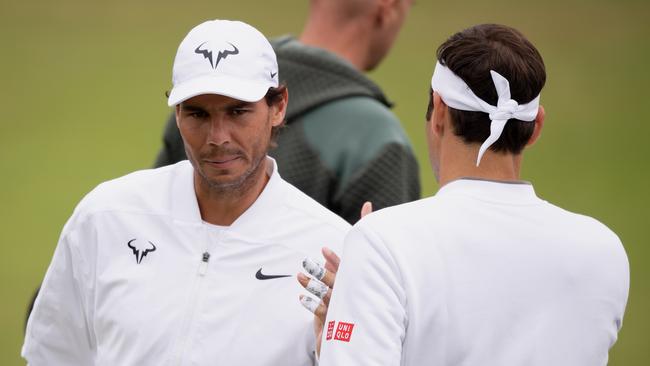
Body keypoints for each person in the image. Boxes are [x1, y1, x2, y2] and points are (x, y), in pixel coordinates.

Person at [22, 19, 350, 365]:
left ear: (278, 106)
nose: (218, 137)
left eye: (237, 112)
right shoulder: (106, 217)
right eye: (198, 114)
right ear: (177, 113)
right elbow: (55, 355)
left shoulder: (333, 248)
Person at [317, 24, 630, 365]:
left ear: (439, 112)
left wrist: (341, 332)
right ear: (535, 127)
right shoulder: (604, 249)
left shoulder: (383, 241)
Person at [154, 0, 420, 224]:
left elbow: (150, 233)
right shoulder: (375, 136)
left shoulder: (200, 89)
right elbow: (391, 280)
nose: (218, 135)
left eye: (238, 112)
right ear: (389, 7)